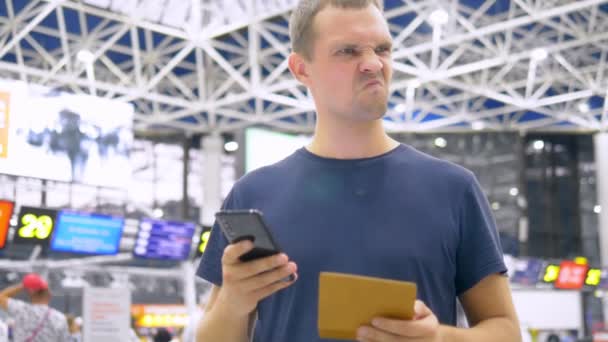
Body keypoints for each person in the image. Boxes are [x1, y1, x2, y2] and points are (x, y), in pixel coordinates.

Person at [196, 1, 521, 341]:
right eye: (347, 52)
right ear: (301, 69)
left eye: (382, 49)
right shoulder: (254, 195)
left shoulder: (453, 190)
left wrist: (439, 338)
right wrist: (233, 303)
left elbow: (506, 330)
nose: (372, 64)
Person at [0, 273, 70, 341]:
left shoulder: (21, 310)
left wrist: (24, 285)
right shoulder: (59, 318)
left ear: (30, 293)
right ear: (49, 294)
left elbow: (1, 297)